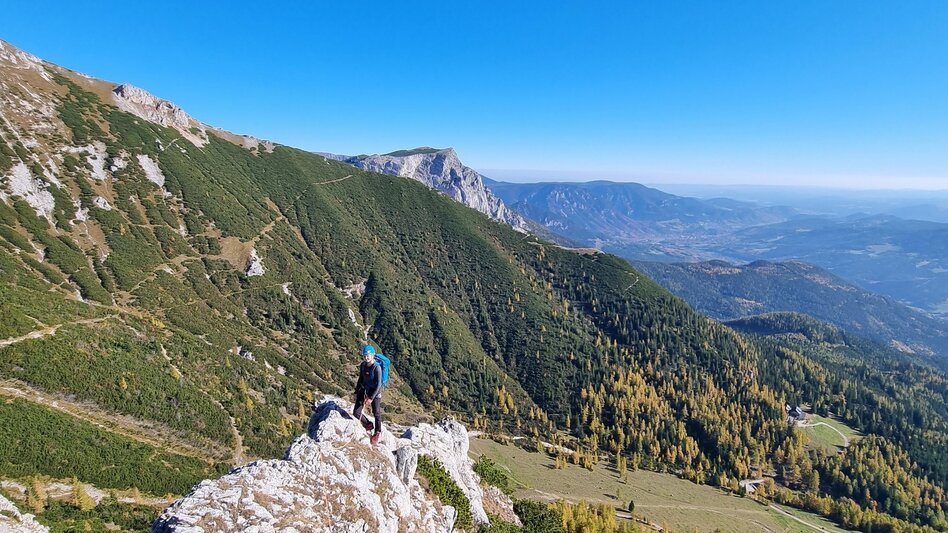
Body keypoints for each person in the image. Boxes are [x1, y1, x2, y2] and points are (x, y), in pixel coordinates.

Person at [354, 344, 383, 444]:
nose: (366, 357)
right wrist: (357, 390)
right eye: (364, 355)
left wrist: (371, 398)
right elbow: (361, 378)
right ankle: (368, 424)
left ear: (373, 355)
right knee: (356, 412)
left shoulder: (377, 368)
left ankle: (378, 432)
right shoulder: (363, 365)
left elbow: (378, 384)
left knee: (377, 413)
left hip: (375, 392)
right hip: (364, 389)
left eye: (368, 355)